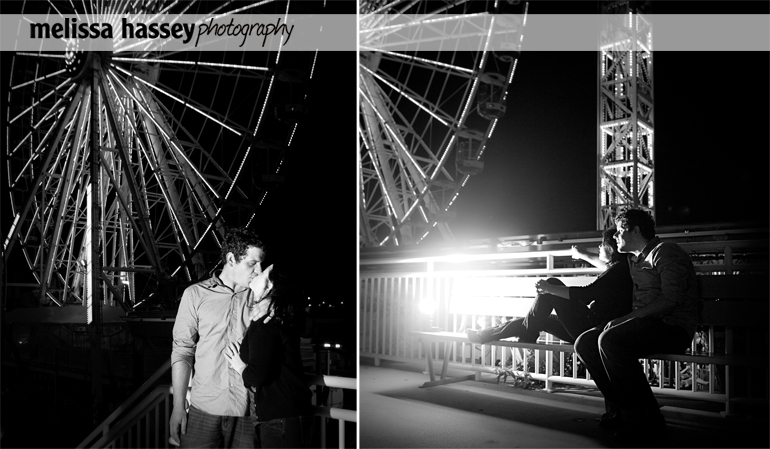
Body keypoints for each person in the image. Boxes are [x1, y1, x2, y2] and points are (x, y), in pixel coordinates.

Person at [573, 208, 700, 441]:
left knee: (611, 340)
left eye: (620, 231)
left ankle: (647, 420)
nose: (615, 236)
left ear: (636, 231)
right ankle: (624, 410)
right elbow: (607, 267)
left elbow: (670, 299)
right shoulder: (634, 259)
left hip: (672, 327)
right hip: (645, 326)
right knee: (585, 343)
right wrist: (582, 255)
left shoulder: (665, 252)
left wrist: (625, 319)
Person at [169, 227, 272, 448]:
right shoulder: (195, 295)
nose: (259, 270)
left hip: (249, 411)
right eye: (252, 263)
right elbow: (182, 352)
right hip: (203, 409)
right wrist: (178, 407)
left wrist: (269, 299)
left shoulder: (261, 298)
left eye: (261, 264)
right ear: (231, 259)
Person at [466, 227, 632, 345]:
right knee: (537, 319)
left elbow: (586, 294)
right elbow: (602, 264)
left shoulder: (617, 270)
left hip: (591, 331)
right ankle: (485, 335)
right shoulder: (620, 267)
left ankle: (526, 334)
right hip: (588, 327)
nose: (599, 247)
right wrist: (582, 254)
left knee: (552, 284)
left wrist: (549, 288)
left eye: (602, 244)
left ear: (611, 248)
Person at [225, 265, 314, 448]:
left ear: (269, 285)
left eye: (262, 272)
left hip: (282, 417)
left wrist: (239, 366)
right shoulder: (277, 316)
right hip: (290, 414)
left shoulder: (266, 321)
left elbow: (256, 376)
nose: (256, 271)